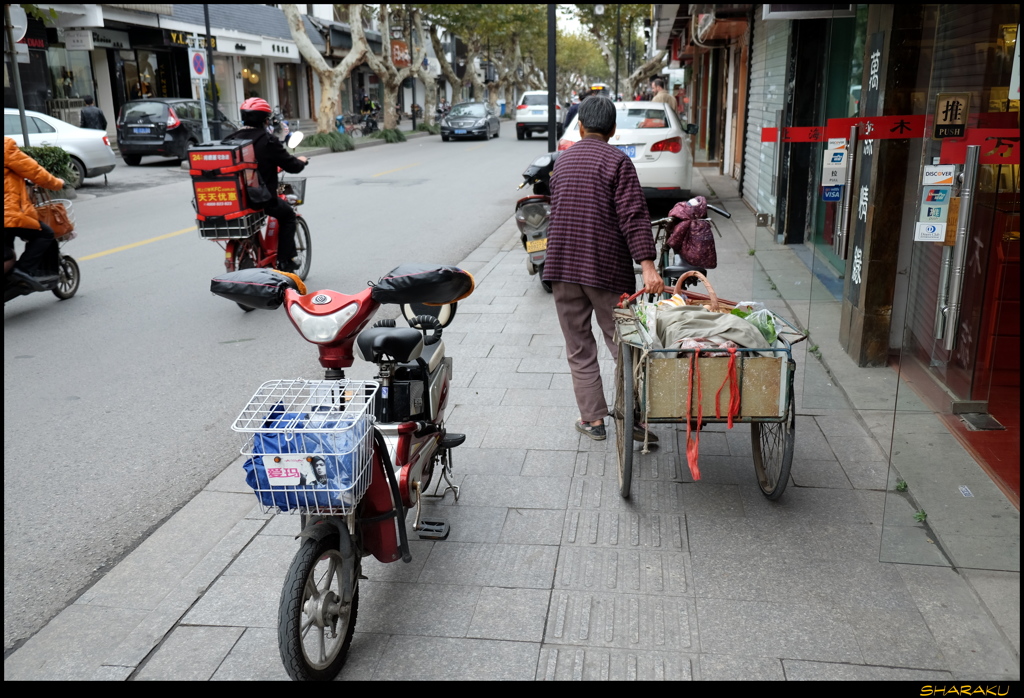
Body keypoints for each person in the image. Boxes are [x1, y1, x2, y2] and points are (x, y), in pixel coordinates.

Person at [542, 96, 664, 442]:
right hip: (607, 270)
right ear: (612, 129)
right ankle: (635, 420)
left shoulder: (562, 163)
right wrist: (648, 267)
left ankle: (593, 421)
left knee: (579, 347)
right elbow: (633, 216)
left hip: (563, 267)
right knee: (625, 344)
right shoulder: (618, 162)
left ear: (580, 126)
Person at [221, 98, 308, 273]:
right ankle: (286, 260)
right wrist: (301, 161)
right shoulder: (268, 141)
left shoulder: (230, 140)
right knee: (288, 215)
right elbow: (291, 166)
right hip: (260, 199)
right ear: (265, 119)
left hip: (234, 202)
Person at [4, 137, 65, 284]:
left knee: (7, 254)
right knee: (45, 234)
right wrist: (57, 183)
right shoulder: (6, 147)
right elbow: (34, 171)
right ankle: (23, 271)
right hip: (9, 213)